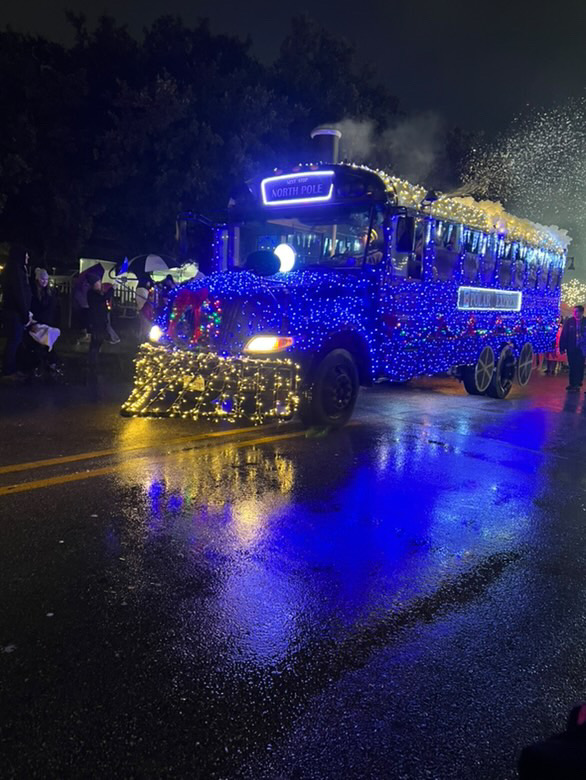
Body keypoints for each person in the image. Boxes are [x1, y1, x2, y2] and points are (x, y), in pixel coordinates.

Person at [0, 244, 31, 380]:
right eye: (26, 254)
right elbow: (20, 294)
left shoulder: (15, 269)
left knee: (15, 341)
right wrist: (25, 313)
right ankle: (8, 370)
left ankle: (12, 367)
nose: (28, 257)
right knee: (14, 341)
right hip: (15, 313)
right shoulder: (16, 271)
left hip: (15, 312)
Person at [87, 275, 110, 373]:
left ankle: (93, 360)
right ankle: (92, 363)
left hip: (101, 320)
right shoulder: (91, 294)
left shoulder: (98, 293)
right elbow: (103, 299)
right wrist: (111, 290)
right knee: (96, 341)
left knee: (98, 341)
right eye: (97, 283)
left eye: (99, 282)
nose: (99, 284)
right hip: (96, 321)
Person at [559, 305, 586, 391]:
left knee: (580, 365)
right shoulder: (569, 321)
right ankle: (572, 383)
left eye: (577, 311)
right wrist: (562, 346)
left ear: (581, 312)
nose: (575, 313)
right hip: (571, 347)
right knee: (572, 365)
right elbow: (564, 334)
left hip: (582, 348)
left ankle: (578, 382)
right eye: (574, 311)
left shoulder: (585, 321)